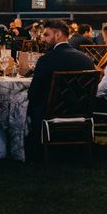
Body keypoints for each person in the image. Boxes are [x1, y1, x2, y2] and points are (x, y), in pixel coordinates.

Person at [27, 20, 94, 148]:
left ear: (57, 35)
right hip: (80, 111)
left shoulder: (46, 59)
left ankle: (31, 144)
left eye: (46, 35)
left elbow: (33, 93)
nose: (42, 38)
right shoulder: (86, 60)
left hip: (51, 113)